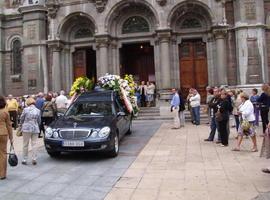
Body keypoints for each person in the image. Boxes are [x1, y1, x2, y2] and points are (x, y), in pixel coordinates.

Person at [20, 97, 41, 165]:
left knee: (25, 144)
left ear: (28, 103)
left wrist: (21, 125)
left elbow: (21, 118)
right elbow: (39, 121)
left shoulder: (25, 109)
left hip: (26, 128)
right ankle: (34, 158)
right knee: (34, 144)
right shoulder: (38, 110)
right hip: (35, 128)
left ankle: (24, 159)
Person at [0, 96, 13, 180]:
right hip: (3, 133)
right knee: (3, 154)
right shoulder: (5, 112)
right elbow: (9, 125)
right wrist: (11, 137)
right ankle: (2, 174)